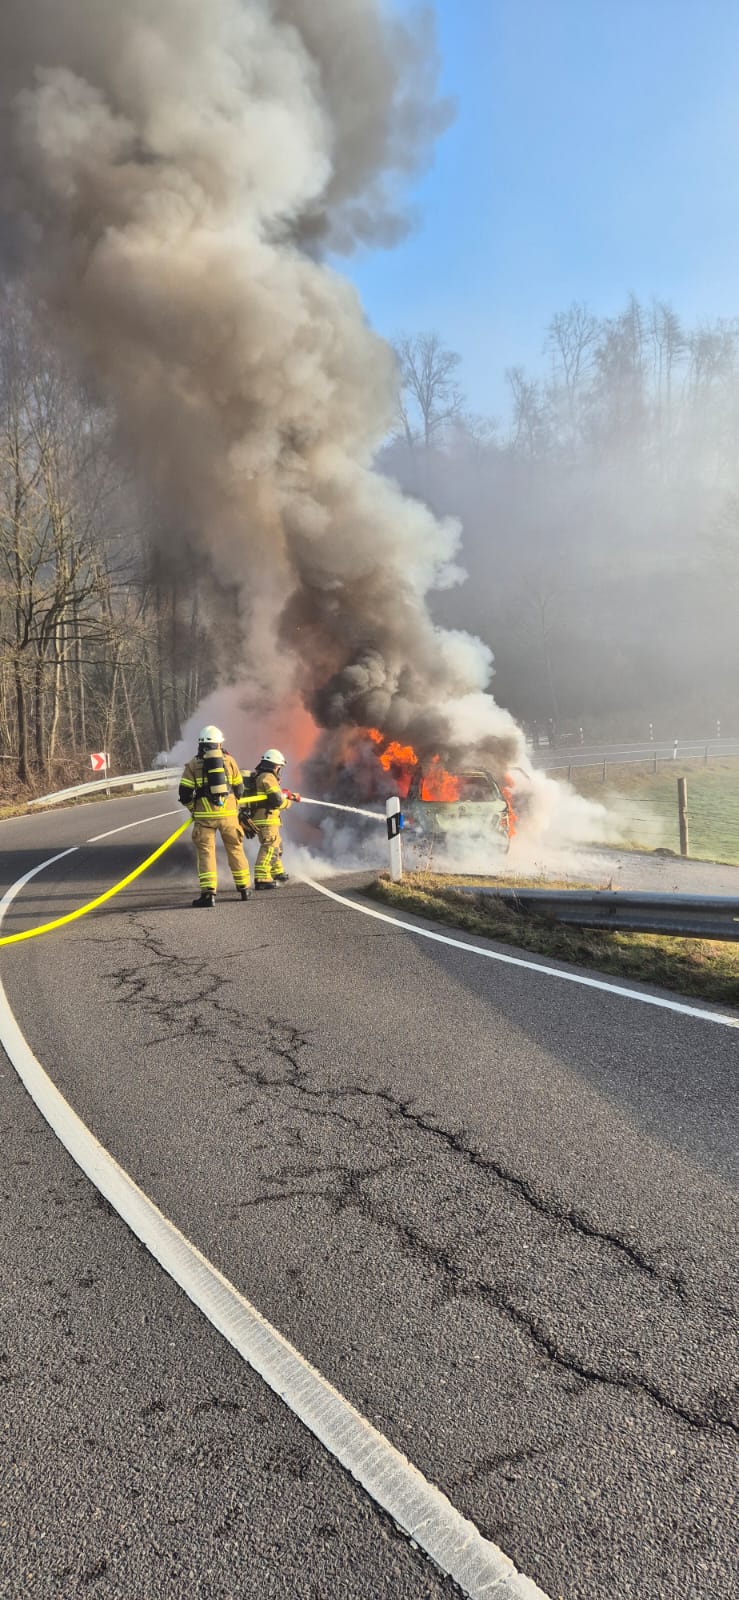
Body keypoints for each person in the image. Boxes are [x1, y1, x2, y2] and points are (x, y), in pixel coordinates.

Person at [178, 725, 252, 908]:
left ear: (201, 744)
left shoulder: (193, 764)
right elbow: (240, 788)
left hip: (204, 818)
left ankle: (208, 894)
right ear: (219, 743)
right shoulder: (229, 761)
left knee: (206, 854)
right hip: (229, 817)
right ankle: (244, 889)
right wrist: (235, 805)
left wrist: (193, 810)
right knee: (236, 849)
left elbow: (185, 793)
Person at [242, 748, 299, 891]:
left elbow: (272, 795)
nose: (280, 769)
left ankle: (277, 872)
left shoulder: (260, 776)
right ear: (275, 765)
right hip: (267, 818)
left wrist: (288, 794)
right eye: (279, 766)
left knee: (277, 846)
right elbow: (277, 801)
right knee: (270, 847)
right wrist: (289, 801)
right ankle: (262, 877)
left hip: (264, 818)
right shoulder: (268, 777)